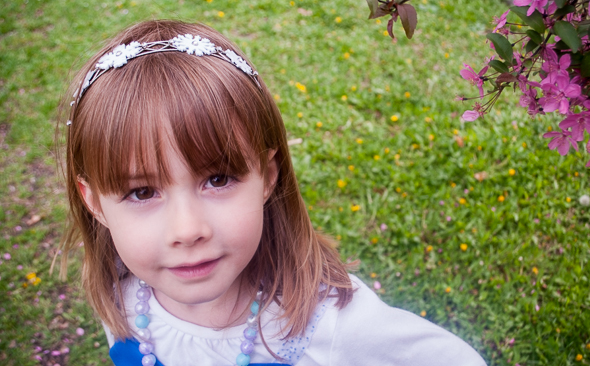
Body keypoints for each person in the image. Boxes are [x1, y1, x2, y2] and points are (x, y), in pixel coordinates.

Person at [58, 20, 486, 366]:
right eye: (142, 191)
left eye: (218, 179)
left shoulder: (332, 326)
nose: (187, 230)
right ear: (93, 201)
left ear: (266, 176)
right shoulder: (121, 296)